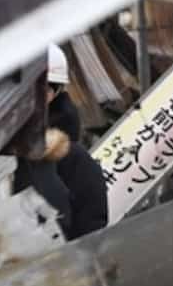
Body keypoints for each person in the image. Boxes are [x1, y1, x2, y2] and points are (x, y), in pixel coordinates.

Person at [15, 44, 108, 240]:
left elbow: (91, 233)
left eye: (45, 88)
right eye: (24, 87)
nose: (31, 97)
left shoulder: (73, 160)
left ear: (55, 93)